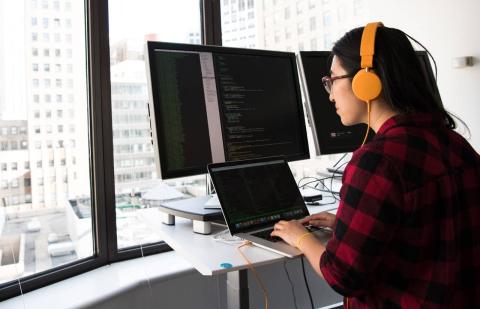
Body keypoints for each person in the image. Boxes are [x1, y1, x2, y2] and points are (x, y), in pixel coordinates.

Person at [271, 22, 480, 308]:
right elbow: (433, 231)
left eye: (332, 80)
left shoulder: (377, 162)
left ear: (366, 82)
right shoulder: (457, 144)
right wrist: (348, 227)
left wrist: (302, 237)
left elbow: (341, 276)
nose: (330, 94)